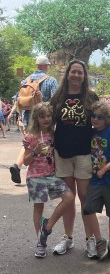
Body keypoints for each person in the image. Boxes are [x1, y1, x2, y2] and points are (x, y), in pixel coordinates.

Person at [50, 59, 100, 258]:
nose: (77, 75)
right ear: (68, 74)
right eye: (74, 72)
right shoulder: (58, 96)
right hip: (62, 152)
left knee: (85, 198)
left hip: (84, 152)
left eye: (80, 72)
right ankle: (68, 238)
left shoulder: (90, 96)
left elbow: (101, 121)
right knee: (68, 199)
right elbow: (47, 121)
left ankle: (90, 240)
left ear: (84, 75)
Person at [23, 102, 74, 258]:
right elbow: (25, 162)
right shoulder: (30, 136)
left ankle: (48, 225)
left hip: (52, 175)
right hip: (35, 177)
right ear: (36, 118)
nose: (46, 119)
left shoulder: (54, 133)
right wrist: (34, 152)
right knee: (39, 208)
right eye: (42, 116)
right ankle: (41, 243)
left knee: (69, 197)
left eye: (48, 116)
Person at [83, 100, 110, 263]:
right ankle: (100, 241)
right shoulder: (91, 132)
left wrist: (104, 169)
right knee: (88, 209)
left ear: (107, 118)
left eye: (99, 117)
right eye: (93, 115)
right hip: (95, 180)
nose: (95, 119)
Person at [9, 55, 58, 184]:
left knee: (28, 144)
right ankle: (45, 170)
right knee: (46, 142)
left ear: (36, 66)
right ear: (47, 66)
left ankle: (18, 165)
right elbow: (55, 100)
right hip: (45, 119)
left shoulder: (25, 80)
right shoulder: (51, 80)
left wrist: (19, 113)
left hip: (27, 118)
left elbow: (17, 98)